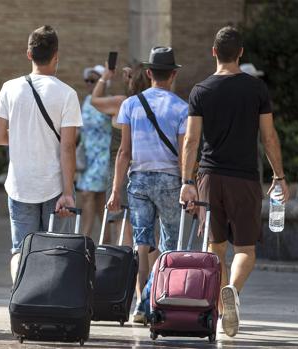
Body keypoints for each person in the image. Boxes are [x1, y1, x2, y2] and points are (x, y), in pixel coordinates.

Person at [180, 26, 289, 337]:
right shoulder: (256, 90)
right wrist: (279, 176)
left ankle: (225, 309)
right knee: (245, 248)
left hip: (210, 178)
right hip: (244, 180)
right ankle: (233, 291)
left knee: (216, 247)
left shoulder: (200, 90)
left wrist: (187, 180)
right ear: (241, 52)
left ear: (213, 52)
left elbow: (191, 140)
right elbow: (268, 137)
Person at [0, 25, 82, 283]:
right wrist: (67, 192)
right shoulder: (67, 94)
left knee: (20, 251)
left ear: (28, 54)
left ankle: (20, 300)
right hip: (55, 187)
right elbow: (67, 146)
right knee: (55, 250)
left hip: (20, 185)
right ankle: (49, 305)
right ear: (56, 55)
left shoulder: (10, 88)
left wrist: (20, 138)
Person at [107, 47, 188, 323]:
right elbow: (183, 154)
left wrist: (116, 190)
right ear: (174, 74)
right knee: (169, 245)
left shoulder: (130, 105)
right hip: (169, 181)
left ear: (150, 72)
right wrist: (189, 183)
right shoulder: (181, 107)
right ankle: (149, 302)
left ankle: (140, 306)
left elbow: (124, 152)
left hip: (138, 180)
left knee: (141, 245)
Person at [91, 63, 149, 245]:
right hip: (145, 168)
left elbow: (95, 99)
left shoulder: (121, 103)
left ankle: (126, 272)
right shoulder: (152, 104)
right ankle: (152, 274)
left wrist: (105, 77)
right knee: (148, 229)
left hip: (120, 170)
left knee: (122, 224)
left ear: (131, 79)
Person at [76, 65, 111, 238]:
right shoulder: (86, 102)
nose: (90, 84)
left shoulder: (109, 101)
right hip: (88, 157)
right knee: (98, 199)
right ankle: (105, 237)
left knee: (87, 194)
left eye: (94, 80)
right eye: (87, 80)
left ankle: (85, 236)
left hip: (103, 157)